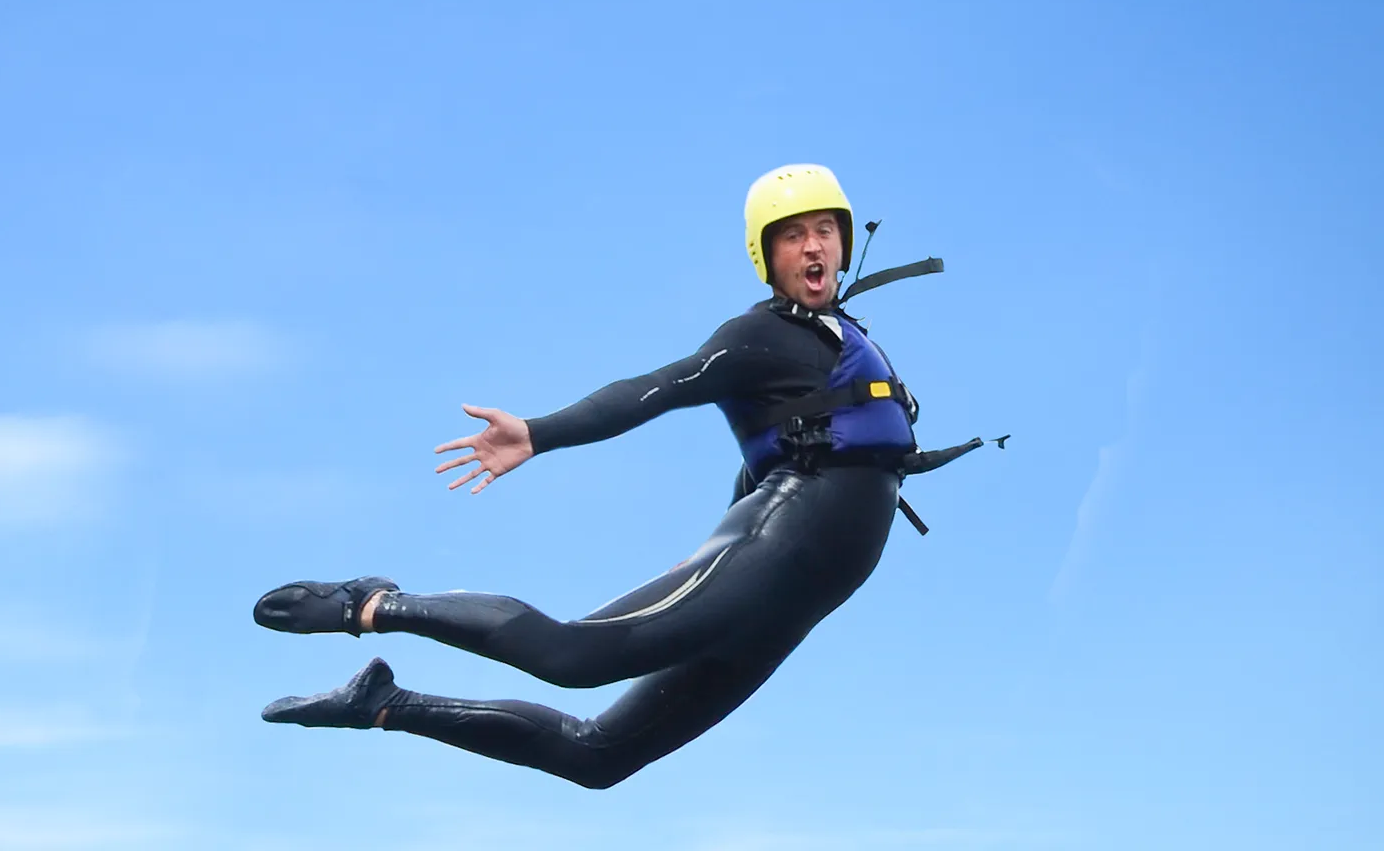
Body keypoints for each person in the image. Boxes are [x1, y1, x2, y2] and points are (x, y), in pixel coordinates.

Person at [252, 163, 991, 789]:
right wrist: (538, 434)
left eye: (825, 229)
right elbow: (654, 389)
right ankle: (372, 601)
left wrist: (715, 552)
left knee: (599, 756)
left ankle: (382, 703)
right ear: (766, 256)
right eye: (793, 234)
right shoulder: (755, 335)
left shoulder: (844, 340)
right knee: (574, 657)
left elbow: (769, 459)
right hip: (785, 557)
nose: (814, 244)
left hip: (789, 596)